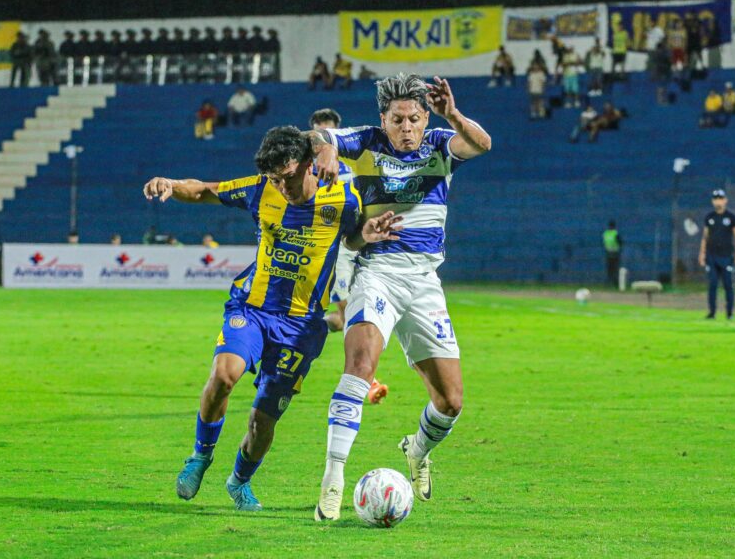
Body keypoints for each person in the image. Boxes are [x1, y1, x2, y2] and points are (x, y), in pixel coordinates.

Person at [142, 126, 401, 511]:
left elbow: (351, 238)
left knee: (263, 422)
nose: (283, 187)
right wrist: (171, 183)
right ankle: (200, 455)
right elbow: (204, 190)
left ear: (310, 165)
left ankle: (239, 481)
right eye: (276, 179)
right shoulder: (261, 188)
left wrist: (369, 232)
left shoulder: (344, 198)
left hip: (301, 327)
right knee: (224, 374)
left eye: (289, 177)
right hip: (253, 308)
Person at [307, 73, 491, 521]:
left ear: (425, 117)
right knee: (359, 367)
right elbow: (313, 134)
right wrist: (328, 147)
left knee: (450, 402)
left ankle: (417, 449)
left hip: (426, 280)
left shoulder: (441, 143)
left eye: (414, 119)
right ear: (383, 120)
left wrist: (454, 114)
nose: (406, 128)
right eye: (397, 120)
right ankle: (332, 481)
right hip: (379, 274)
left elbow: (482, 144)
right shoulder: (366, 142)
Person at [309, 107, 390, 405]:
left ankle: (367, 379)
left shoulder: (355, 160)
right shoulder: (310, 163)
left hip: (352, 240)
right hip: (324, 239)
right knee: (340, 313)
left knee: (349, 310)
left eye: (330, 130)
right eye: (321, 130)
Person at [698, 189, 735, 319]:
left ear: (725, 200)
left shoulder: (731, 217)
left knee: (728, 285)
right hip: (711, 256)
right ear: (713, 201)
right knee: (712, 284)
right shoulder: (709, 217)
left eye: (721, 198)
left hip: (726, 256)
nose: (718, 201)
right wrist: (702, 253)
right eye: (716, 199)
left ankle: (729, 313)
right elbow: (705, 237)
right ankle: (712, 313)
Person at [648, 40, 672, 105]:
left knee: (660, 86)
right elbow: (668, 61)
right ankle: (662, 99)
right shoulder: (663, 53)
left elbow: (653, 63)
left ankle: (660, 99)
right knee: (662, 86)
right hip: (663, 70)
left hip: (659, 71)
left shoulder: (656, 53)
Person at [602, 221, 622, 287]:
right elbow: (620, 242)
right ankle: (615, 283)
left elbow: (604, 242)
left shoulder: (605, 233)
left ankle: (608, 282)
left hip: (608, 253)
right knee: (615, 269)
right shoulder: (615, 233)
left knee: (609, 269)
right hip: (615, 253)